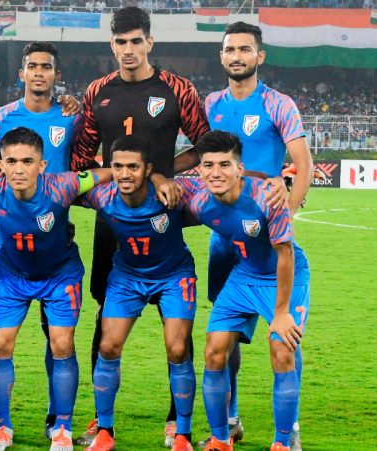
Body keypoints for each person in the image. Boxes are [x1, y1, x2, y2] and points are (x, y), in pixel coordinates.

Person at [69, 6, 209, 447]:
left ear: (149, 42)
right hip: (116, 218)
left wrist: (165, 172)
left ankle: (175, 419)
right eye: (120, 42)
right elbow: (80, 156)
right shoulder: (97, 91)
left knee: (176, 329)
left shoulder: (177, 89)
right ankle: (100, 418)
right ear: (111, 45)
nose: (128, 50)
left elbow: (205, 148)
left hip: (163, 215)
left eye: (136, 41)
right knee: (103, 315)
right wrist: (118, 180)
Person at [201, 21, 310, 450]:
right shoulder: (212, 103)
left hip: (267, 233)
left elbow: (302, 160)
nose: (237, 56)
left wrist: (288, 209)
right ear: (222, 56)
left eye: (245, 49)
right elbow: (203, 153)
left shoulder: (278, 104)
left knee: (284, 334)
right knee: (225, 336)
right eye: (230, 50)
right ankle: (229, 416)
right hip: (225, 242)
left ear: (259, 57)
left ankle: (291, 427)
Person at [0, 127, 110, 451]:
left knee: (62, 344)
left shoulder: (62, 185)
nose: (19, 169)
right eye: (11, 161)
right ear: (0, 163)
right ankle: (2, 428)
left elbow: (104, 173)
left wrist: (138, 172)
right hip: (12, 274)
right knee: (0, 344)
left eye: (28, 161)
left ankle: (61, 428)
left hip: (60, 275)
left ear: (42, 165)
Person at [176, 131, 309, 451]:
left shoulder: (267, 198)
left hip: (282, 276)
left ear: (240, 168)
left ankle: (284, 440)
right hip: (241, 273)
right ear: (199, 169)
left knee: (281, 347)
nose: (215, 172)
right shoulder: (197, 196)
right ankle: (222, 438)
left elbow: (285, 255)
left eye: (225, 164)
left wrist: (281, 315)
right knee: (214, 350)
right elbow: (155, 182)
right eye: (208, 165)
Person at [0, 41, 82, 440]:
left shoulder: (71, 117)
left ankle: (57, 415)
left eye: (47, 66)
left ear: (57, 75)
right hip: (8, 237)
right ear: (21, 73)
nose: (39, 72)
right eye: (32, 66)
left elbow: (89, 166)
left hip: (55, 233)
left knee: (56, 335)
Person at [77, 135, 198, 451]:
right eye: (118, 166)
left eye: (133, 167)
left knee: (177, 349)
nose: (125, 174)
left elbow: (222, 192)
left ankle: (182, 434)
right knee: (108, 345)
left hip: (173, 276)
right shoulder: (102, 196)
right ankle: (105, 432)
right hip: (127, 278)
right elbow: (60, 186)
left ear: (148, 170)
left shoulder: (170, 195)